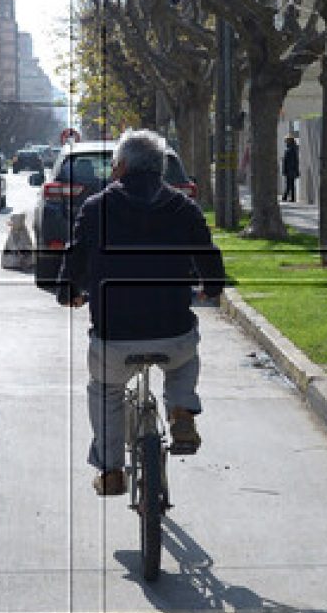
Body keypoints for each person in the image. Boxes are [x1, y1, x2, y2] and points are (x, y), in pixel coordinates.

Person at [57, 129, 226, 496]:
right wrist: (211, 287)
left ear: (119, 167)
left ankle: (111, 470)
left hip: (114, 337)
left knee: (105, 389)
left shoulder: (95, 207)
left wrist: (69, 292)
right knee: (183, 362)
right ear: (161, 169)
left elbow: (75, 260)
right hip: (173, 331)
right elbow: (209, 258)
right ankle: (181, 410)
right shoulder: (184, 207)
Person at [281, 134, 299, 202]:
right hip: (290, 169)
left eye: (286, 140)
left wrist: (288, 170)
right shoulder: (291, 148)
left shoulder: (291, 149)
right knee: (290, 184)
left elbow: (291, 161)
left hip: (290, 169)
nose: (285, 142)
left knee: (289, 184)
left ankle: (287, 197)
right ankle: (289, 197)